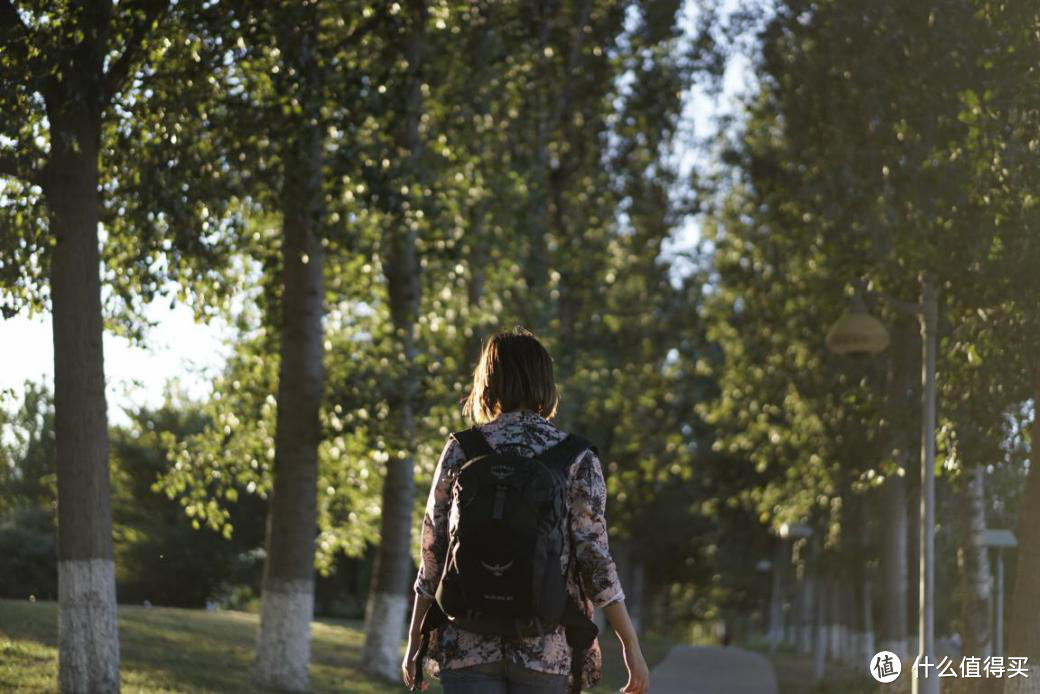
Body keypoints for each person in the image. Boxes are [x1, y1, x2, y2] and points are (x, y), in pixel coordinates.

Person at [401, 327, 650, 694]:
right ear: (545, 383)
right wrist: (631, 646)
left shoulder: (462, 448)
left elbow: (433, 552)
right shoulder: (575, 456)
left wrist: (415, 642)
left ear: (487, 381)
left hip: (467, 640)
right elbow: (594, 559)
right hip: (547, 645)